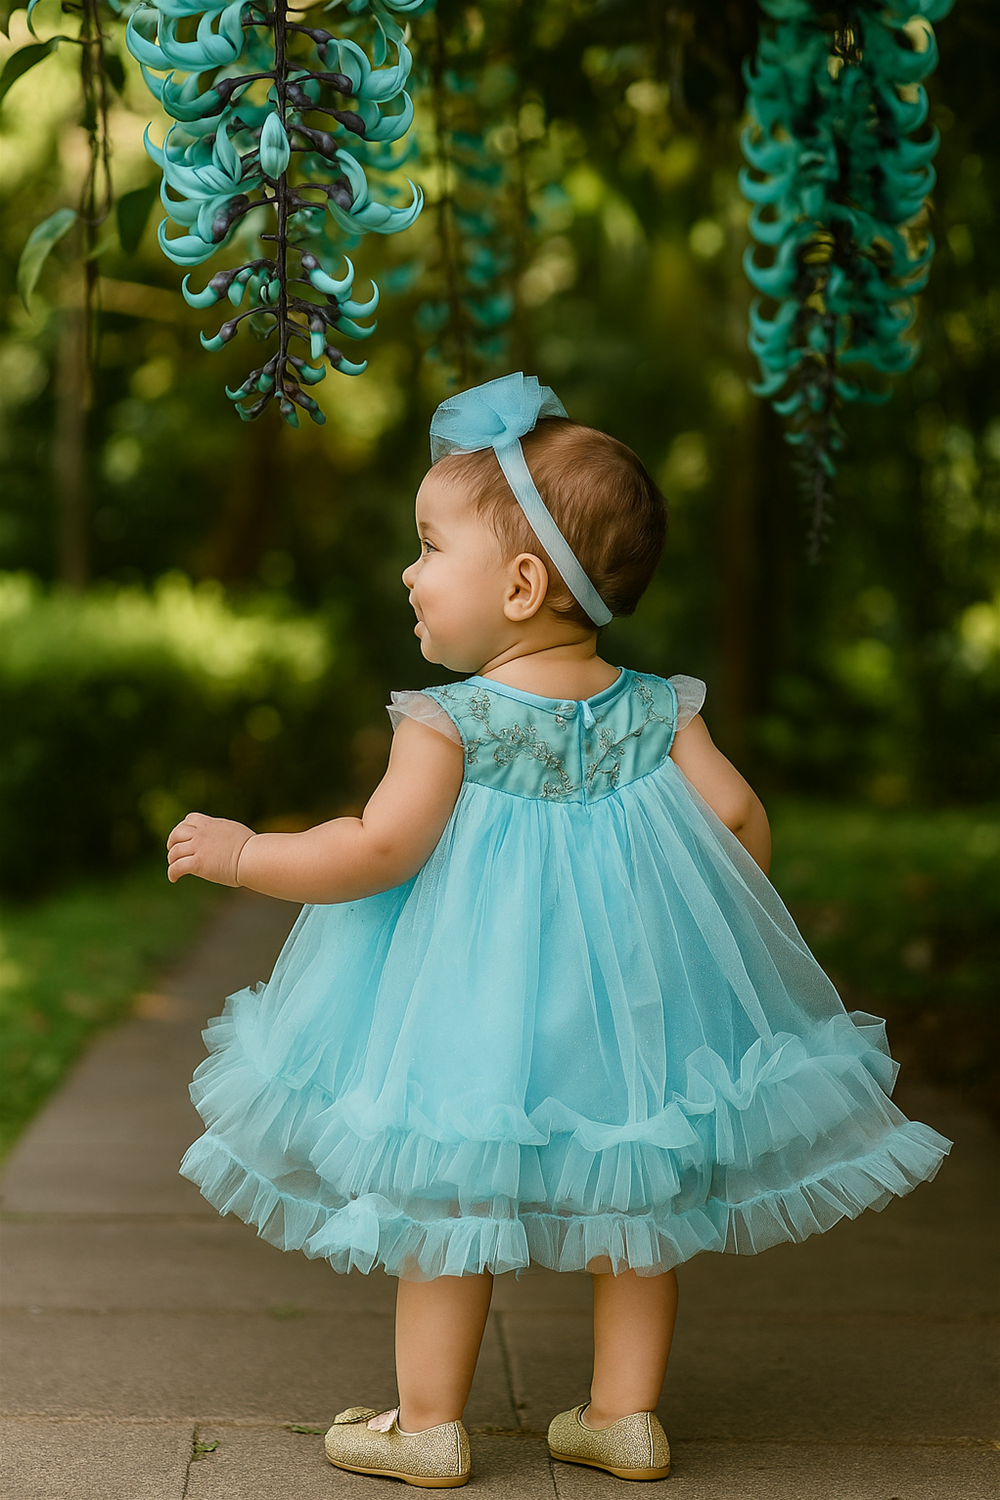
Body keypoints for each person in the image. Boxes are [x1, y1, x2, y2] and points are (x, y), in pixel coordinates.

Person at [166, 373, 952, 1488]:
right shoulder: (656, 709)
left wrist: (250, 854)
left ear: (523, 582)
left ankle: (428, 1426)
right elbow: (733, 817)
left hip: (474, 1013)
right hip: (625, 1016)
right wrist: (709, 928)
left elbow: (375, 850)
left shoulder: (449, 723)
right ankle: (621, 1415)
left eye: (431, 547)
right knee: (634, 1198)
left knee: (451, 1200)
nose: (411, 571)